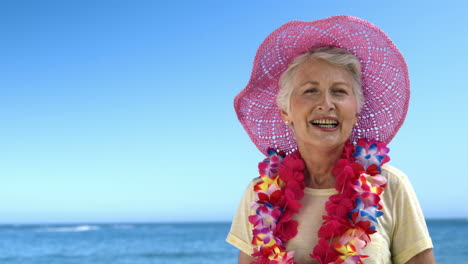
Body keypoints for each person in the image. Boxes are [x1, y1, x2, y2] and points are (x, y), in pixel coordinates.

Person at [227, 16, 435, 264]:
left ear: (356, 110)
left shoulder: (391, 186)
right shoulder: (259, 193)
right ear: (286, 112)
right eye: (310, 90)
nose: (326, 104)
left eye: (339, 91)